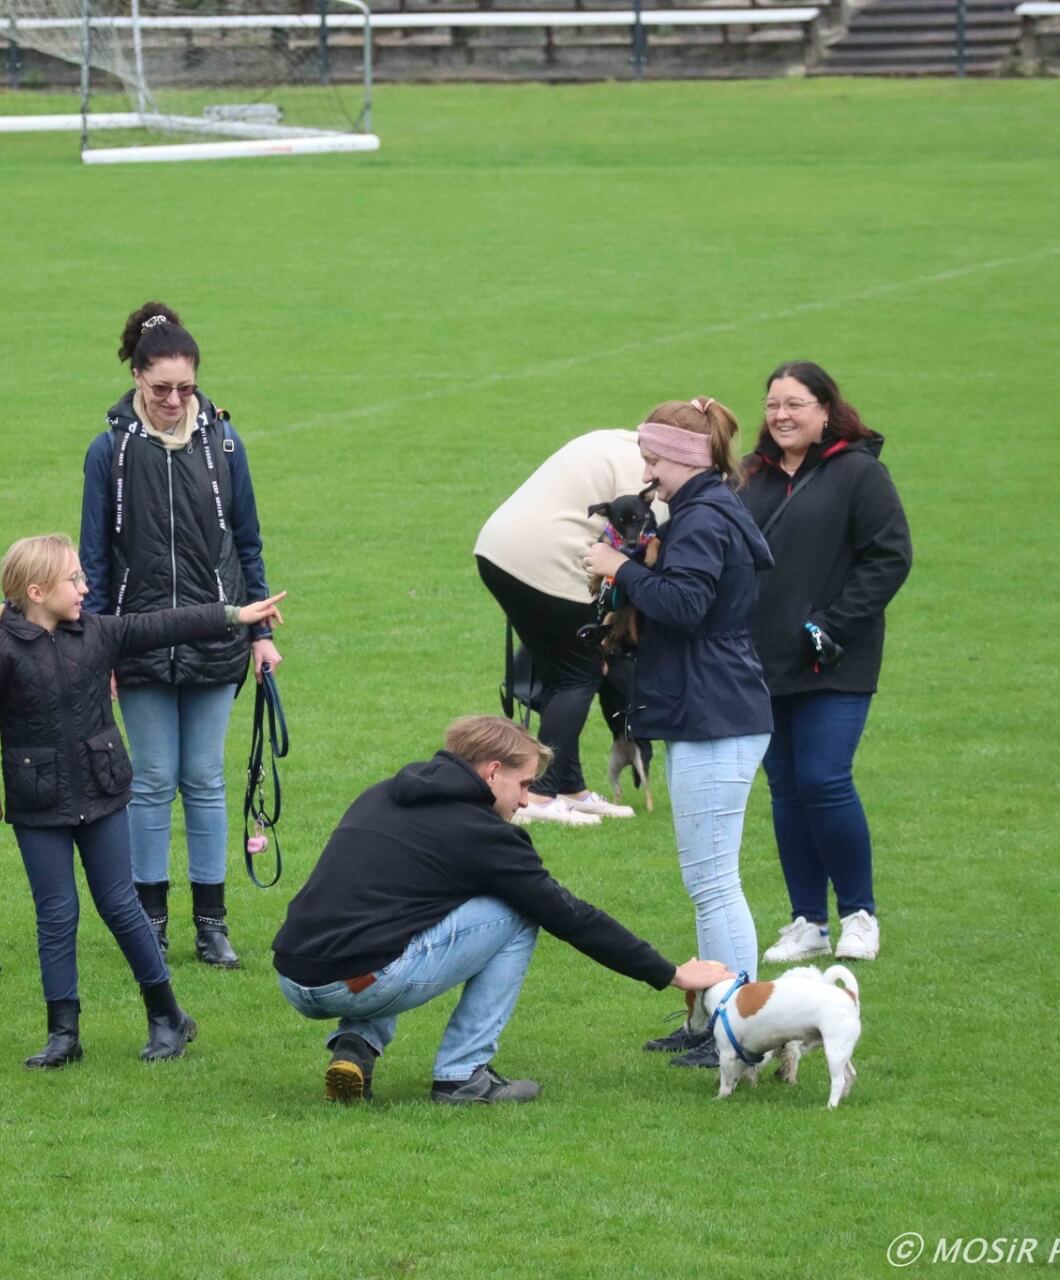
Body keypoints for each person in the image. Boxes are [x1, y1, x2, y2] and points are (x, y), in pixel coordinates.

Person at [0, 535, 288, 1066]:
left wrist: (236, 615)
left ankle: (168, 1016)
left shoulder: (97, 633)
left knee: (121, 906)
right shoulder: (2, 648)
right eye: (73, 580)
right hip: (39, 807)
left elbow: (165, 624)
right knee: (56, 916)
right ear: (36, 591)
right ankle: (64, 1035)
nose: (84, 588)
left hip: (102, 796)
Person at [271, 715, 735, 1105]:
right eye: (525, 784)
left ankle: (357, 1043)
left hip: (293, 974)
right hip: (357, 983)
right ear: (492, 772)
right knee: (519, 913)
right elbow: (569, 916)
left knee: (401, 913)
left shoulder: (385, 792)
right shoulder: (485, 835)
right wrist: (670, 972)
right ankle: (463, 1075)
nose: (527, 800)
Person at [79, 302, 278, 969]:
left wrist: (259, 634)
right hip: (135, 640)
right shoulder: (108, 452)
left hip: (217, 636)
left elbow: (247, 541)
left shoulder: (224, 444)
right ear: (136, 378)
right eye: (160, 388)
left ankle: (212, 922)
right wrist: (96, 643)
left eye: (184, 389)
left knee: (206, 779)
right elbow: (95, 556)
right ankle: (152, 919)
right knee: (153, 778)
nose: (172, 400)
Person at [585, 399, 774, 1069]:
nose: (647, 472)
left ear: (687, 459)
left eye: (654, 459)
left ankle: (741, 1032)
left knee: (715, 882)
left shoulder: (700, 519)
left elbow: (687, 606)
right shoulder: (706, 510)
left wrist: (622, 572)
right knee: (708, 880)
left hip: (715, 716)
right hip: (717, 709)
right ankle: (712, 1022)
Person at [740, 361, 912, 964]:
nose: (781, 416)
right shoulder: (753, 478)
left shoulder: (858, 474)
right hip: (762, 662)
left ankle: (859, 915)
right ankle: (808, 921)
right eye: (771, 405)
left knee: (823, 779)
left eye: (794, 404)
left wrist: (832, 624)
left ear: (824, 411)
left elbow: (889, 558)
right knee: (786, 789)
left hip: (833, 660)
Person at [475, 430, 668, 827]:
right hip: (546, 562)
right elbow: (647, 552)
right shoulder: (656, 473)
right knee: (579, 673)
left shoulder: (615, 440)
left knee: (560, 672)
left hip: (498, 550)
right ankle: (541, 796)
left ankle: (570, 788)